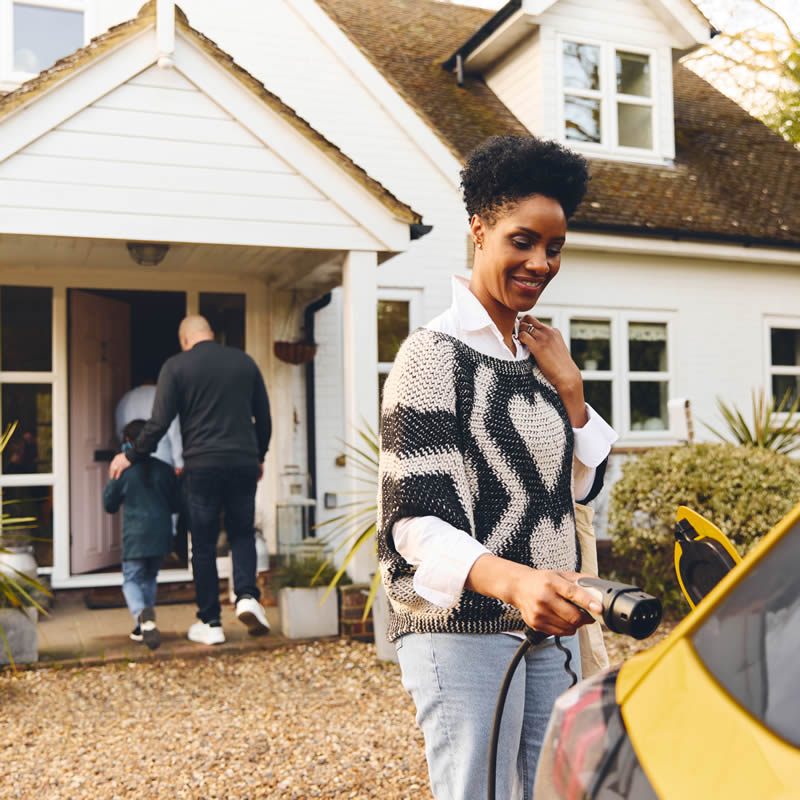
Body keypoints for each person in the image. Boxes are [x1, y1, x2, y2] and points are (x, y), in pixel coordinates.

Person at [377, 135, 618, 800]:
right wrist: (516, 583)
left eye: (554, 247)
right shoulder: (432, 356)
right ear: (479, 230)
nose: (541, 262)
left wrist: (570, 389)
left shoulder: (539, 355)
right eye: (522, 241)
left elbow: (577, 489)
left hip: (551, 622)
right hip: (463, 631)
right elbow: (414, 524)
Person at [109, 315, 272, 646]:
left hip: (202, 466)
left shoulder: (176, 366)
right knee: (242, 533)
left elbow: (157, 424)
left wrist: (131, 455)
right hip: (242, 462)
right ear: (210, 334)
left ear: (184, 339)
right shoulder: (244, 362)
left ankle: (210, 622)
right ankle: (246, 597)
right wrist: (260, 456)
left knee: (204, 544)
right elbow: (264, 418)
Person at [103, 419, 178, 651]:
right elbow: (176, 504)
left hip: (135, 535)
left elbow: (110, 504)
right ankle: (143, 627)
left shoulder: (123, 471)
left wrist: (112, 479)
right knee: (150, 577)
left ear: (128, 442)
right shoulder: (165, 470)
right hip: (161, 533)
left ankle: (141, 614)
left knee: (132, 580)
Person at [115, 379, 183, 472]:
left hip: (132, 463)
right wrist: (179, 463)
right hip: (163, 460)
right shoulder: (163, 396)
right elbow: (175, 431)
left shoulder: (125, 399)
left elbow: (121, 433)